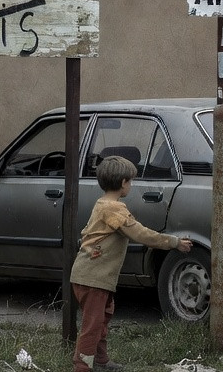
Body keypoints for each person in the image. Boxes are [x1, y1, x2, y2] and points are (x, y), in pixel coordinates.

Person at [70, 155, 192, 372]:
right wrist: (173, 243)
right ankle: (82, 366)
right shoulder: (114, 209)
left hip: (92, 276)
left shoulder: (103, 203)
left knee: (102, 319)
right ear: (123, 182)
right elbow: (140, 233)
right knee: (93, 325)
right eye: (131, 181)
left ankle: (101, 361)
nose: (131, 185)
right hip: (93, 278)